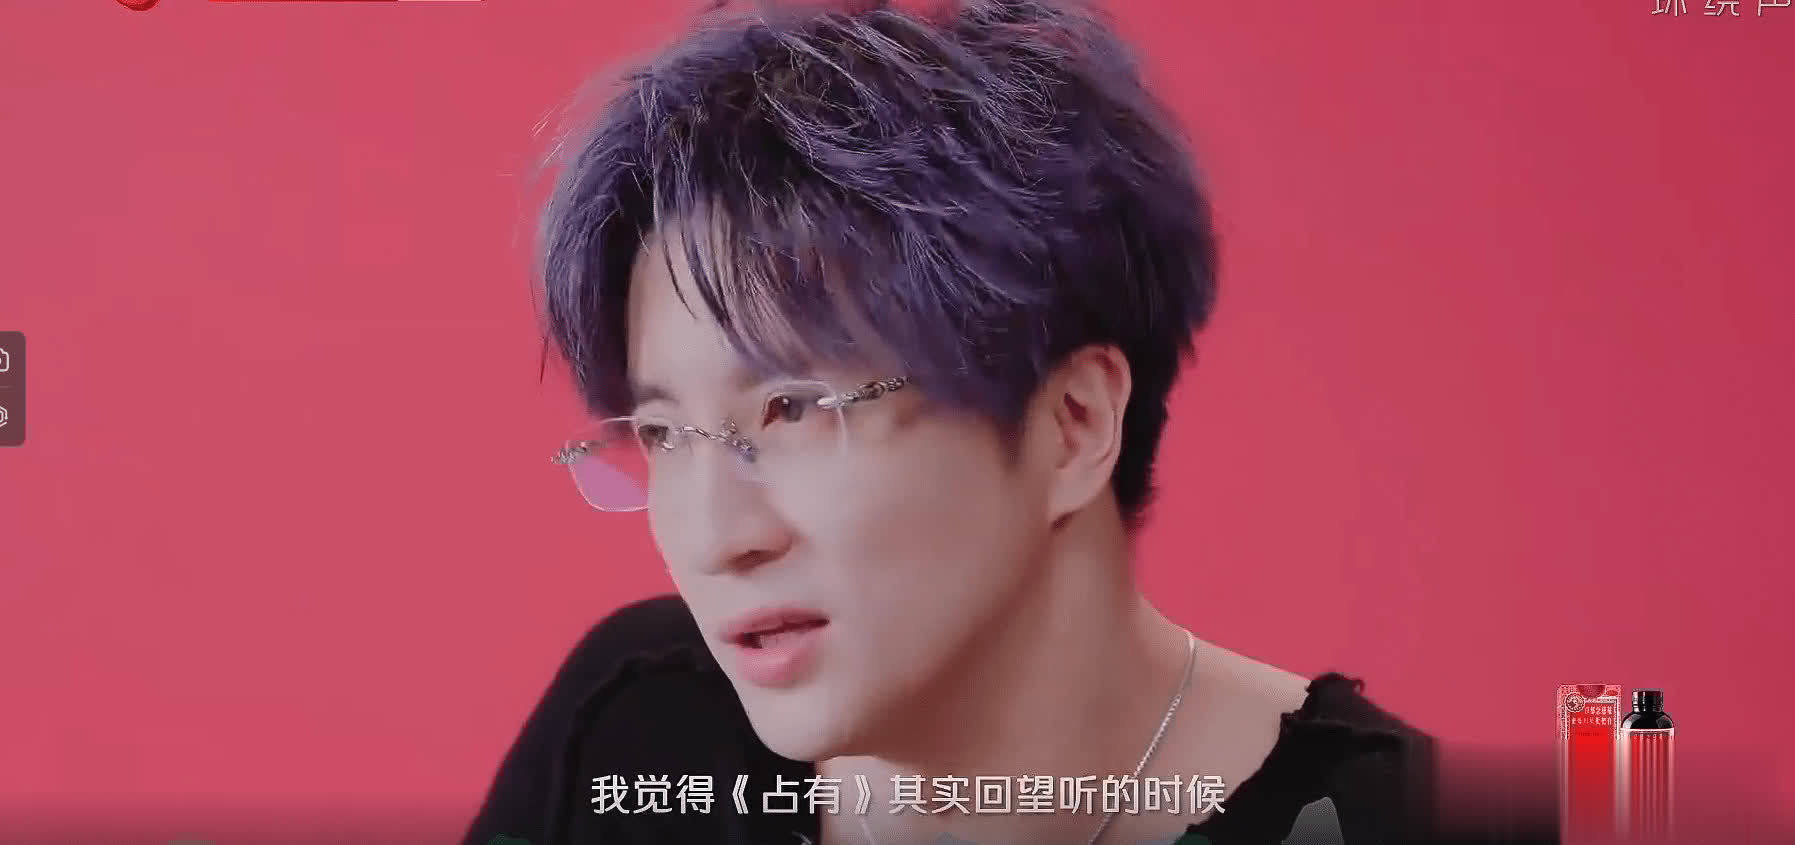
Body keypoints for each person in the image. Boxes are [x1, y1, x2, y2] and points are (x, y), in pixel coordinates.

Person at [465, 1, 1441, 843]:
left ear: (1071, 424)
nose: (715, 537)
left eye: (791, 409)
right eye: (666, 434)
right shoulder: (640, 720)